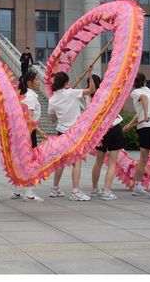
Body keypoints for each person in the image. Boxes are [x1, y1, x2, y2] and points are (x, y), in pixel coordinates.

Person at [48, 69, 95, 201]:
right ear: (66, 82)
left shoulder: (52, 100)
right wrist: (89, 75)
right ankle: (75, 191)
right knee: (76, 162)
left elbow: (52, 118)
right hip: (74, 132)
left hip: (61, 132)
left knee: (61, 161)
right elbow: (91, 89)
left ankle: (55, 188)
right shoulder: (72, 93)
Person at [11, 71, 47, 202]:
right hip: (28, 133)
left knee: (20, 160)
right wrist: (38, 131)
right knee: (30, 160)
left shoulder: (26, 95)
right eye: (36, 79)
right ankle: (29, 191)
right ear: (29, 83)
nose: (38, 82)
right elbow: (29, 118)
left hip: (23, 132)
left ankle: (16, 189)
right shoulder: (30, 97)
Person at [88, 75, 124, 201]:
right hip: (114, 127)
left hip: (100, 131)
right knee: (112, 162)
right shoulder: (110, 94)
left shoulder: (91, 99)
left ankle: (94, 188)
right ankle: (107, 191)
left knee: (98, 161)